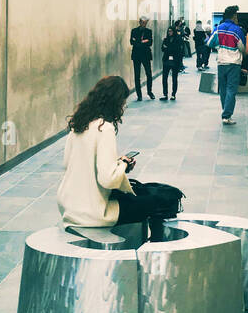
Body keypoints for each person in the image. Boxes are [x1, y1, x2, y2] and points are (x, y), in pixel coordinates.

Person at [56, 76, 180, 242]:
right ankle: (154, 252)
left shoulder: (79, 124)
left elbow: (68, 163)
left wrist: (118, 164)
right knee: (157, 203)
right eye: (123, 101)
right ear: (115, 102)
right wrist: (122, 164)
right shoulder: (104, 128)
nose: (124, 106)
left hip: (70, 207)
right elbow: (108, 179)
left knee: (139, 198)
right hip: (93, 212)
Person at [208, 5, 245, 124]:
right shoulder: (237, 29)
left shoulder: (219, 28)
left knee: (223, 89)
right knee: (231, 89)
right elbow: (242, 48)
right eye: (236, 15)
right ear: (234, 16)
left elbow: (209, 43)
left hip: (221, 63)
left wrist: (219, 46)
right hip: (234, 63)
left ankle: (226, 112)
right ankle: (226, 115)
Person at [129, 17, 155, 100]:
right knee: (137, 75)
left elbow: (150, 42)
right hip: (136, 55)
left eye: (146, 22)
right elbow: (131, 42)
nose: (144, 24)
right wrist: (143, 42)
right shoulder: (134, 31)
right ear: (139, 22)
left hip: (146, 55)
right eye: (143, 22)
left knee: (149, 74)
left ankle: (149, 92)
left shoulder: (148, 31)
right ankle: (139, 95)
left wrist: (139, 42)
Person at [160, 25, 185, 101]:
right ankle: (165, 94)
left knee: (174, 78)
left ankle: (173, 94)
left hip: (175, 61)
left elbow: (178, 50)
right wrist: (169, 48)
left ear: (173, 31)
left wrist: (167, 48)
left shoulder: (178, 39)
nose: (169, 32)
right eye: (168, 31)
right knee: (164, 78)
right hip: (166, 60)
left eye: (171, 31)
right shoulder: (166, 39)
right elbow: (162, 48)